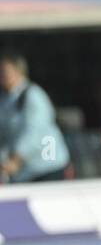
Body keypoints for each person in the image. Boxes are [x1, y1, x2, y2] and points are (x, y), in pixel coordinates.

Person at [0, 52, 70, 183]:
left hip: (48, 169)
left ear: (18, 71)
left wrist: (16, 161)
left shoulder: (33, 95)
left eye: (5, 71)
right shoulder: (5, 101)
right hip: (25, 174)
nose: (2, 75)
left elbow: (35, 132)